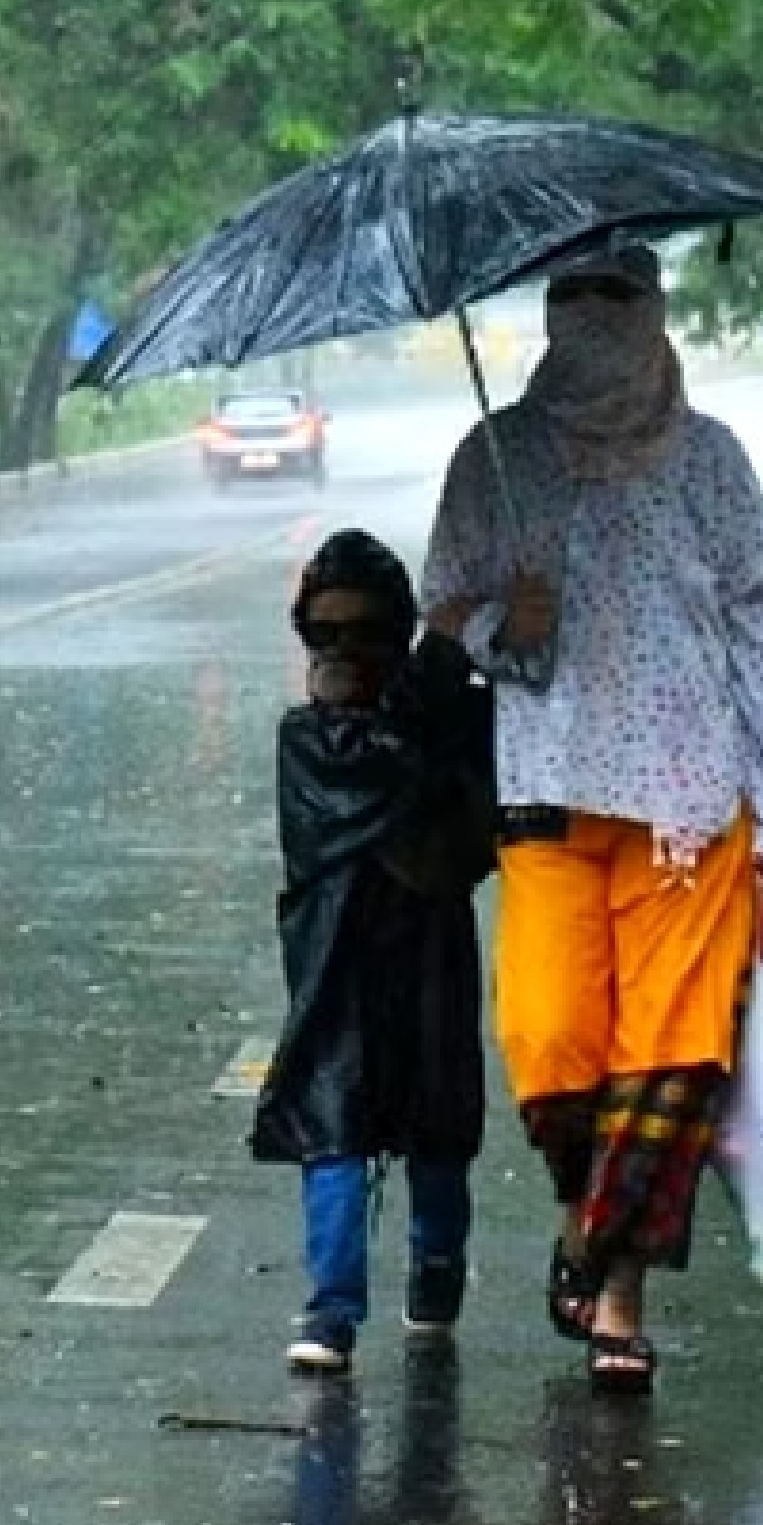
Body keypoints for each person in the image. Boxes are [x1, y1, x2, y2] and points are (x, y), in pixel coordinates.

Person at [421, 241, 763, 1397]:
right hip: (545, 795)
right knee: (551, 1042)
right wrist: (504, 626)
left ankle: (621, 1295)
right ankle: (582, 1221)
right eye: (571, 294)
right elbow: (443, 606)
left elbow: (762, 630)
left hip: (694, 811)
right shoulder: (496, 459)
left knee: (668, 1062)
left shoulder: (711, 460)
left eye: (616, 294)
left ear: (653, 307)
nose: (593, 314)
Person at [252, 528, 495, 1375]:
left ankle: (438, 1269)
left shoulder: (455, 719)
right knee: (335, 1128)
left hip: (430, 955)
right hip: (338, 961)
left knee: (439, 1130)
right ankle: (332, 1307)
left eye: (365, 632)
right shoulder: (307, 740)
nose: (345, 652)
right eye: (326, 633)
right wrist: (431, 682)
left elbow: (460, 830)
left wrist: (442, 682)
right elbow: (379, 777)